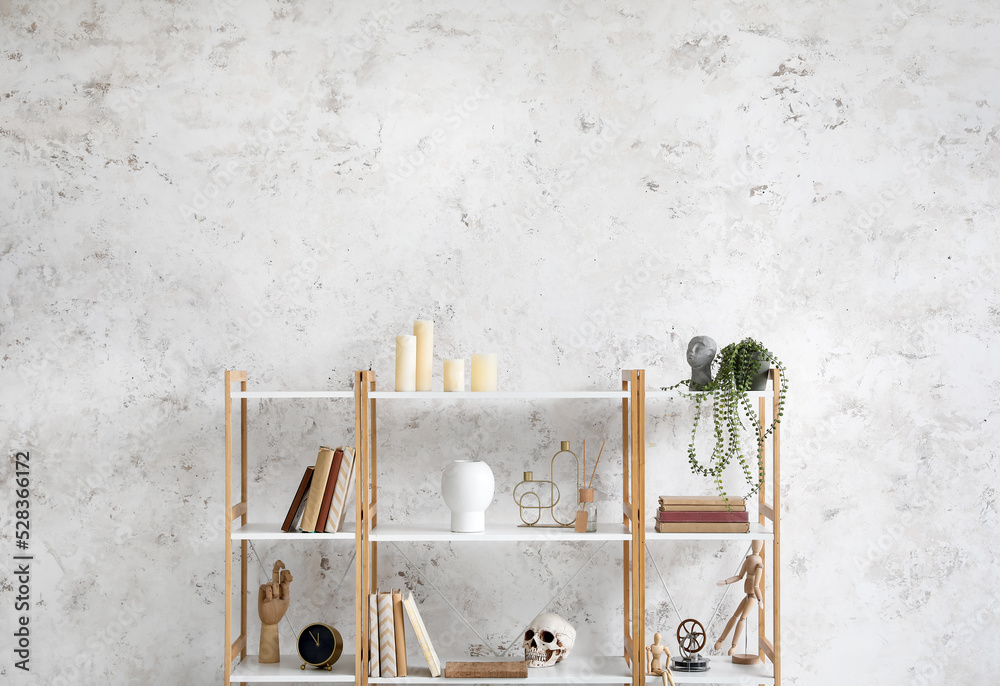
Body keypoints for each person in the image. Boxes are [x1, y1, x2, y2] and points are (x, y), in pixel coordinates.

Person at [714, 540, 764, 655]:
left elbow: (756, 585)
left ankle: (734, 645)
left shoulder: (758, 563)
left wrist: (760, 600)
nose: (756, 545)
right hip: (747, 594)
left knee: (742, 618)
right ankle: (721, 639)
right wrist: (726, 581)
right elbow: (740, 576)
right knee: (735, 616)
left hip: (752, 597)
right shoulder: (749, 559)